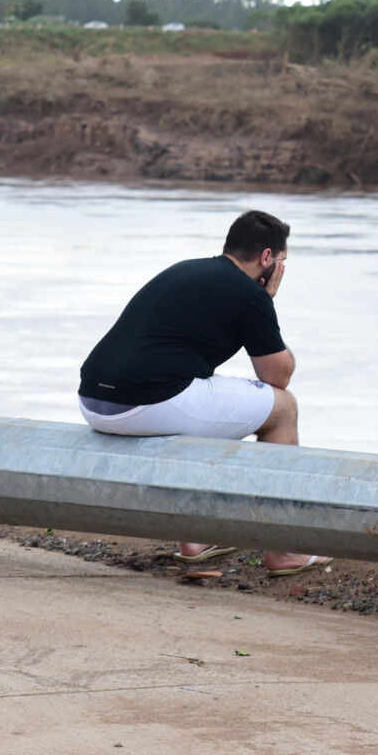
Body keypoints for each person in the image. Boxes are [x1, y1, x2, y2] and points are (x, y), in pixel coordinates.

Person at [78, 209, 329, 577]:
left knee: (207, 393)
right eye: (281, 261)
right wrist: (267, 301)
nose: (280, 270)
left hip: (94, 402)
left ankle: (196, 537)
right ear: (266, 259)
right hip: (144, 404)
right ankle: (284, 550)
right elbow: (279, 375)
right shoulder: (250, 294)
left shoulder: (186, 269)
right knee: (283, 409)